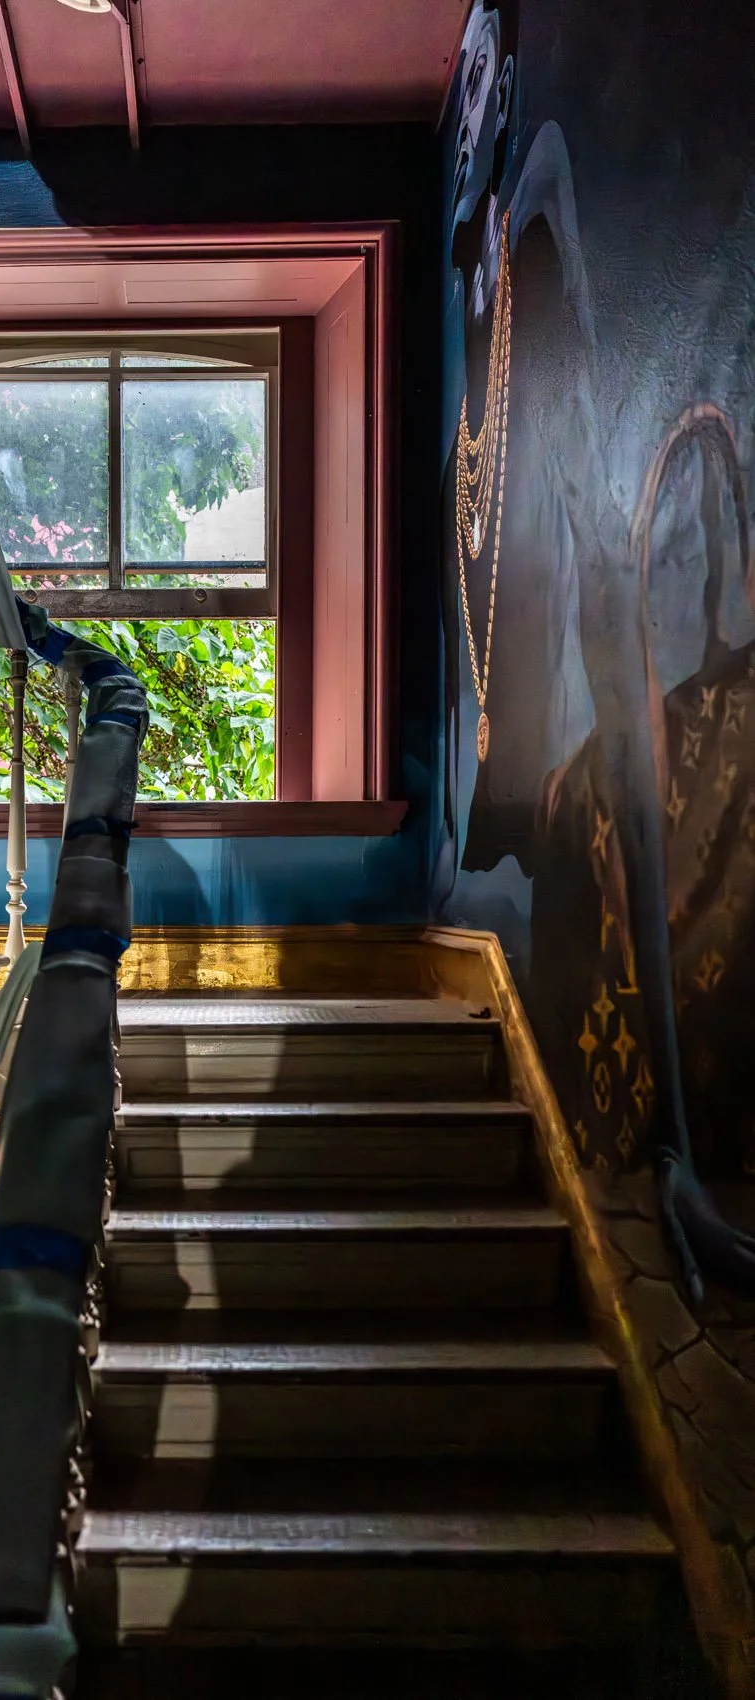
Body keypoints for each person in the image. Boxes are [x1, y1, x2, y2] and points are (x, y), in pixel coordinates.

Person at [435, 0, 755, 1301]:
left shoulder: (535, 208)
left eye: (473, 95)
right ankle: (679, 1150)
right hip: (595, 599)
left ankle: (681, 1151)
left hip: (612, 585)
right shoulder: (502, 278)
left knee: (637, 763)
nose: (466, 124)